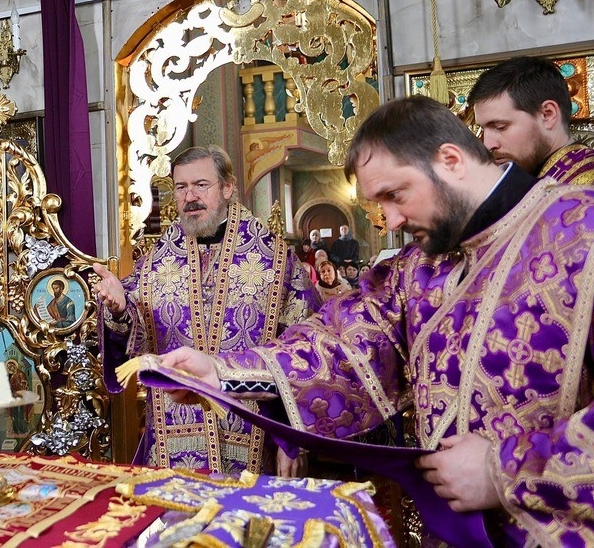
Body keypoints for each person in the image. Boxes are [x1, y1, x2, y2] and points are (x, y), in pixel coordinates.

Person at [158, 96, 594, 545]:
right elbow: (342, 343)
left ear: (450, 160)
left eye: (394, 195)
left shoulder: (582, 230)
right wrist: (221, 372)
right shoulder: (420, 264)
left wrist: (503, 469)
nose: (392, 220)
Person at [93, 145, 315, 475]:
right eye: (181, 187)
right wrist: (119, 308)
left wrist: (291, 440)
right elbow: (135, 322)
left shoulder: (275, 258)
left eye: (201, 185)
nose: (190, 197)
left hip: (252, 433)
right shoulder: (158, 259)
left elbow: (301, 351)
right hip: (172, 434)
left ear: (227, 187)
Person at [469, 55, 594, 184]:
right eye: (482, 129)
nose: (488, 144)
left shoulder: (585, 186)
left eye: (500, 127)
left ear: (548, 115)